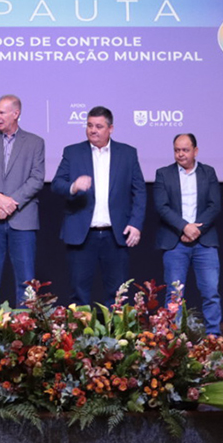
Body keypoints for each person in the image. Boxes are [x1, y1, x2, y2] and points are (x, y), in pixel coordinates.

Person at [51, 106, 145, 306]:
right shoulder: (73, 152)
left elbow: (139, 191)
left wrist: (136, 223)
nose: (93, 130)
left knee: (118, 295)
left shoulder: (127, 154)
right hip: (82, 235)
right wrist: (74, 186)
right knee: (79, 293)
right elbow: (57, 184)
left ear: (110, 129)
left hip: (115, 235)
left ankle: (116, 337)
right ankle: (80, 336)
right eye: (89, 125)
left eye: (99, 126)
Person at [0, 95, 44, 305]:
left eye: (2, 112)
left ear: (16, 113)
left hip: (22, 219)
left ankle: (25, 331)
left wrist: (11, 203)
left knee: (25, 283)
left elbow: (37, 179)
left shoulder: (35, 142)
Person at [152, 133, 222, 334]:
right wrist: (184, 227)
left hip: (205, 242)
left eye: (185, 150)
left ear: (195, 151)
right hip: (175, 242)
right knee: (174, 295)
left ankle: (213, 336)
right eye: (176, 150)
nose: (180, 154)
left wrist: (196, 230)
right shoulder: (163, 174)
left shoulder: (208, 172)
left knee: (211, 293)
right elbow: (162, 207)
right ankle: (174, 339)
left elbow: (214, 206)